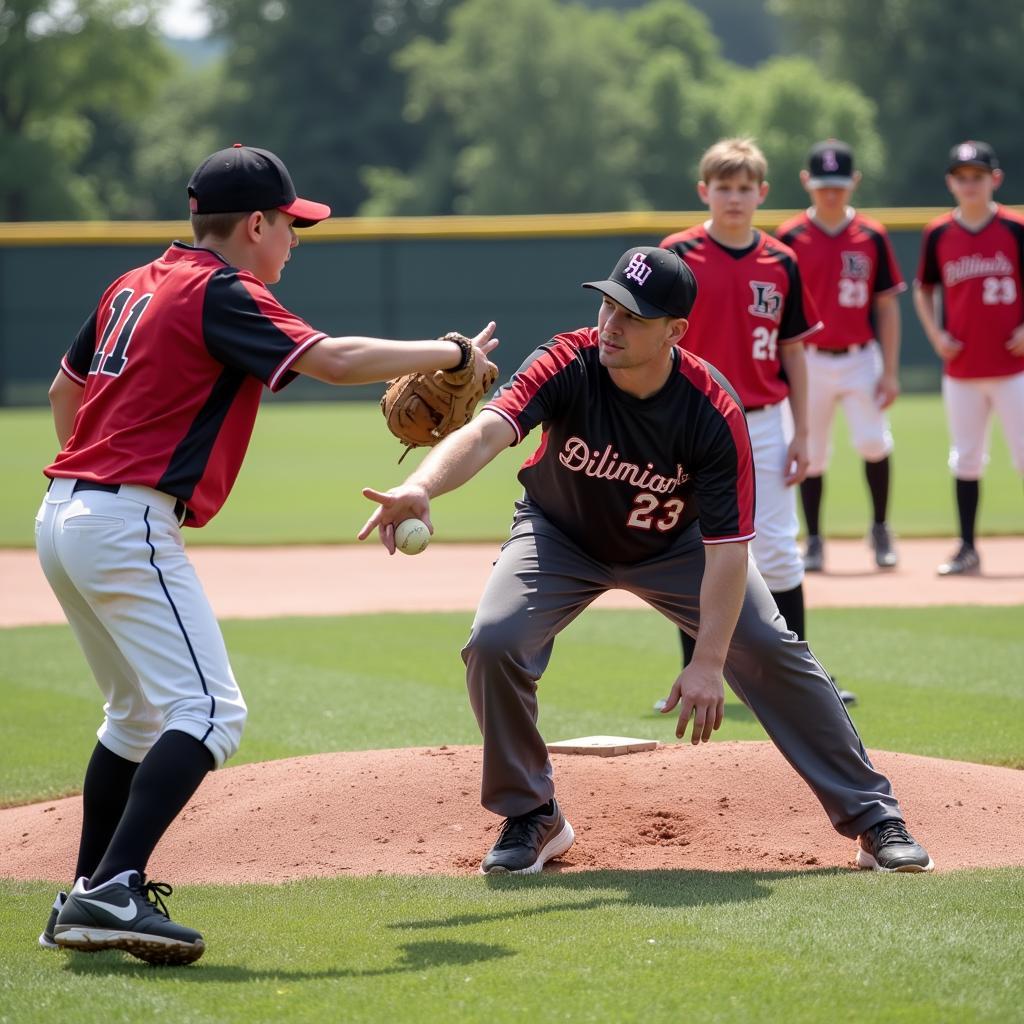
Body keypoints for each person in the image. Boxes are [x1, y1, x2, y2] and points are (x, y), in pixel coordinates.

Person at [35, 143, 498, 964]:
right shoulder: (222, 289)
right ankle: (114, 890)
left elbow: (63, 394)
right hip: (124, 520)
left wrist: (99, 480)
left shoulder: (132, 283)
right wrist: (452, 353)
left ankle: (86, 897)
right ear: (254, 223)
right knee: (212, 714)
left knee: (136, 715)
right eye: (291, 225)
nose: (294, 240)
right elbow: (334, 360)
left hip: (63, 515)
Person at [359, 244, 933, 878]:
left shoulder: (711, 411)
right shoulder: (566, 360)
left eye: (631, 315)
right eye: (607, 305)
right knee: (494, 641)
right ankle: (533, 814)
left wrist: (709, 662)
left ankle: (874, 818)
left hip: (675, 547)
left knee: (769, 648)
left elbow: (728, 549)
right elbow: (489, 429)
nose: (611, 324)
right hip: (560, 534)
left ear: (675, 332)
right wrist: (424, 486)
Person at [660, 138, 856, 705]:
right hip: (688, 417)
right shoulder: (677, 255)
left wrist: (805, 432)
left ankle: (799, 676)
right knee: (693, 544)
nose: (735, 197)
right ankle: (694, 672)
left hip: (764, 419)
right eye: (724, 186)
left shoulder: (781, 260)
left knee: (776, 548)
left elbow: (794, 352)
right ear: (705, 191)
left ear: (763, 193)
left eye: (746, 188)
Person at [777, 140, 906, 573]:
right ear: (806, 183)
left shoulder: (872, 234)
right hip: (808, 357)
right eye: (821, 185)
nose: (830, 193)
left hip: (858, 354)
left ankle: (881, 528)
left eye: (838, 185)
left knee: (873, 442)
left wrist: (889, 369)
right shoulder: (790, 236)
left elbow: (887, 305)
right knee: (810, 452)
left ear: (854, 182)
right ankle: (814, 539)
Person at [913, 140, 1024, 576]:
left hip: (1013, 368)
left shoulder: (1015, 229)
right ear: (950, 183)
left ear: (994, 179)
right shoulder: (939, 233)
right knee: (966, 458)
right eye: (962, 177)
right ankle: (967, 547)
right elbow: (924, 289)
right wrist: (936, 334)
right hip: (961, 369)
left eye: (977, 176)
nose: (970, 183)